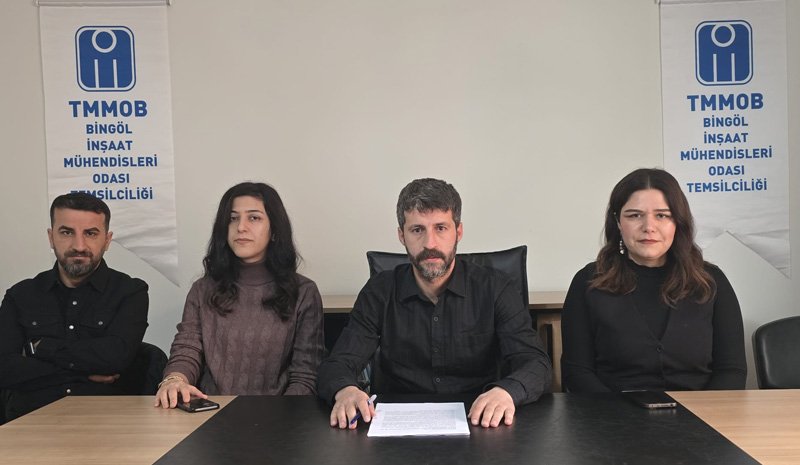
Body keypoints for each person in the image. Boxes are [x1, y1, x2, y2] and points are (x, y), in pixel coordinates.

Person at [318, 178, 551, 429]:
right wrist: (345, 390)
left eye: (441, 228)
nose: (430, 243)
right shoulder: (379, 291)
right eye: (417, 230)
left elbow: (535, 363)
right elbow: (338, 363)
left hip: (480, 421)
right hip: (396, 426)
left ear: (458, 232)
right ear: (401, 235)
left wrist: (507, 392)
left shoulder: (496, 288)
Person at [561, 168, 746, 393]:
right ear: (618, 222)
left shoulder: (711, 281)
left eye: (662, 215)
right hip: (612, 412)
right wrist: (616, 412)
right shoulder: (588, 282)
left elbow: (731, 371)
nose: (648, 227)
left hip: (701, 412)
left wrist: (705, 412)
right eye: (634, 215)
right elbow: (577, 374)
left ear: (678, 222)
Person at [155, 182, 324, 408]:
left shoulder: (303, 292)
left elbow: (305, 376)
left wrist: (281, 418)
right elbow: (187, 348)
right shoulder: (202, 289)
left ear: (274, 230)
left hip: (278, 416)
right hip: (209, 413)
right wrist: (175, 380)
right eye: (233, 219)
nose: (241, 227)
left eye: (254, 218)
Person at [0, 193, 149, 421]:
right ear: (51, 237)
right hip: (29, 423)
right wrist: (84, 373)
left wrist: (41, 349)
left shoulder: (130, 292)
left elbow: (116, 358)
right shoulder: (20, 295)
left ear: (107, 240)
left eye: (91, 233)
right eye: (67, 232)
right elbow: (4, 369)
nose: (79, 245)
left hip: (105, 424)